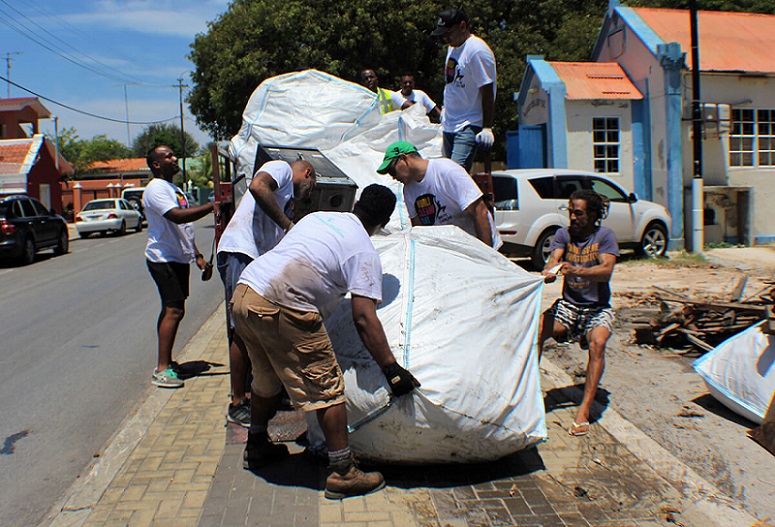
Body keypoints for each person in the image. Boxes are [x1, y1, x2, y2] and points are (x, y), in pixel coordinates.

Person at [231, 184, 420, 499]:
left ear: (357, 203)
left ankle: (257, 445)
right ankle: (343, 472)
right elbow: (363, 315)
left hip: (246, 293)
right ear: (383, 222)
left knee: (266, 378)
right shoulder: (364, 251)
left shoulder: (319, 217)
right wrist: (390, 368)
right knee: (327, 385)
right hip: (285, 304)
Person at [216, 159, 316, 427]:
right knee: (241, 329)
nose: (309, 192)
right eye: (312, 185)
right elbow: (258, 187)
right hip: (241, 251)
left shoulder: (284, 200)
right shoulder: (281, 168)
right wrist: (287, 225)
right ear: (307, 173)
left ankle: (261, 392)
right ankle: (238, 401)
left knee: (259, 326)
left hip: (254, 257)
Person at [538, 190, 619, 437]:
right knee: (537, 329)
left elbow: (606, 271)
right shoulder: (563, 234)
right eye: (570, 211)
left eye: (578, 213)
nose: (572, 217)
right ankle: (529, 395)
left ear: (593, 215)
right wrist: (549, 272)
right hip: (569, 306)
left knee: (598, 343)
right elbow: (553, 260)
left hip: (596, 309)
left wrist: (577, 271)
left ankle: (584, 409)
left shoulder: (604, 236)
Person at [143, 145, 218, 389]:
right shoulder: (155, 189)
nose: (175, 159)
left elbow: (182, 229)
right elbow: (177, 216)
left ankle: (167, 361)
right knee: (173, 310)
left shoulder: (173, 188)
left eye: (174, 154)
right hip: (162, 258)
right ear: (156, 164)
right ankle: (162, 368)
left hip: (177, 257)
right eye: (168, 156)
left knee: (173, 309)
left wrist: (196, 257)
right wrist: (213, 206)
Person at [377, 141, 501, 249]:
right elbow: (419, 230)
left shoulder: (447, 171)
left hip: (478, 244)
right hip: (452, 251)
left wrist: (487, 254)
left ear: (404, 159)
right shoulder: (409, 190)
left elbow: (480, 211)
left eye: (392, 170)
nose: (392, 177)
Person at [431, 8, 496, 172]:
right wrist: (445, 109)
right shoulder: (452, 47)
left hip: (468, 122)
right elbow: (451, 83)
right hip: (450, 122)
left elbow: (487, 91)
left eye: (449, 33)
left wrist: (487, 127)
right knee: (447, 174)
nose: (446, 38)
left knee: (456, 174)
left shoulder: (477, 51)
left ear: (462, 26)